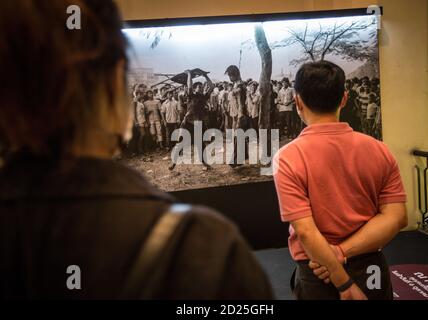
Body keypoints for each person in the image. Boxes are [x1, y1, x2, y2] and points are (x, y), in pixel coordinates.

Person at [0, 0, 273, 300]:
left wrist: (203, 78)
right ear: (116, 80)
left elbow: (204, 89)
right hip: (187, 122)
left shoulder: (203, 93)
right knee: (185, 146)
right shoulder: (204, 251)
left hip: (195, 122)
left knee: (194, 146)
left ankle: (196, 163)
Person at [273, 61, 407, 300]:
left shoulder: (288, 157)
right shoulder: (379, 150)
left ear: (297, 102)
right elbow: (396, 216)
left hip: (318, 270)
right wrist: (342, 253)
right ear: (344, 98)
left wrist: (343, 282)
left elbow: (306, 231)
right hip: (371, 265)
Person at [169, 70, 213, 171]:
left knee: (200, 145)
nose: (201, 89)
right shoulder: (190, 95)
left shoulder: (204, 97)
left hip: (198, 123)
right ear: (194, 88)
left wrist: (205, 76)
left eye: (202, 87)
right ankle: (173, 162)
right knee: (180, 143)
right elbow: (189, 86)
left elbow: (211, 86)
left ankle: (204, 163)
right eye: (199, 87)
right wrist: (189, 74)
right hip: (187, 122)